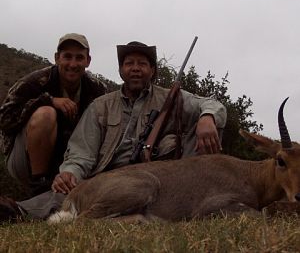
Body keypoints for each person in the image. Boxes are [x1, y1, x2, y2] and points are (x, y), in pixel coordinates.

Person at [0, 41, 226, 222]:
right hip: (111, 182)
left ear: (152, 70)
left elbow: (214, 105)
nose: (135, 68)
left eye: (142, 63)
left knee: (208, 126)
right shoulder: (101, 105)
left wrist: (206, 118)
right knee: (71, 194)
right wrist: (69, 172)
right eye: (129, 63)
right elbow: (82, 152)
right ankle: (17, 211)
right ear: (120, 70)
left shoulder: (172, 98)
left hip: (162, 183)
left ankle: (199, 201)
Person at [0, 33, 106, 196]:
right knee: (46, 114)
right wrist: (47, 100)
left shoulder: (97, 89)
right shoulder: (34, 82)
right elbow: (4, 120)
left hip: (71, 160)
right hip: (22, 160)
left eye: (79, 58)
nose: (73, 64)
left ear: (88, 61)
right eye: (67, 57)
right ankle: (39, 188)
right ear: (57, 58)